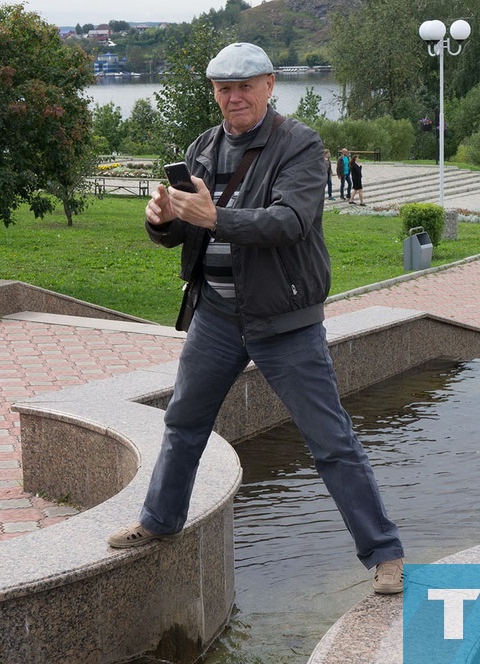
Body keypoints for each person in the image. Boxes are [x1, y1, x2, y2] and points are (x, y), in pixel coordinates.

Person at [107, 42, 405, 595]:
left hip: (284, 319)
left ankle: (384, 554)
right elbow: (183, 230)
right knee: (182, 424)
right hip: (216, 316)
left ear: (270, 86)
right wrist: (161, 219)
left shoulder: (300, 145)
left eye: (245, 85)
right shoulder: (202, 148)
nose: (234, 96)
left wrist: (215, 215)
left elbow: (288, 221)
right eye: (224, 87)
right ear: (214, 92)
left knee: (332, 441)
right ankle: (159, 520)